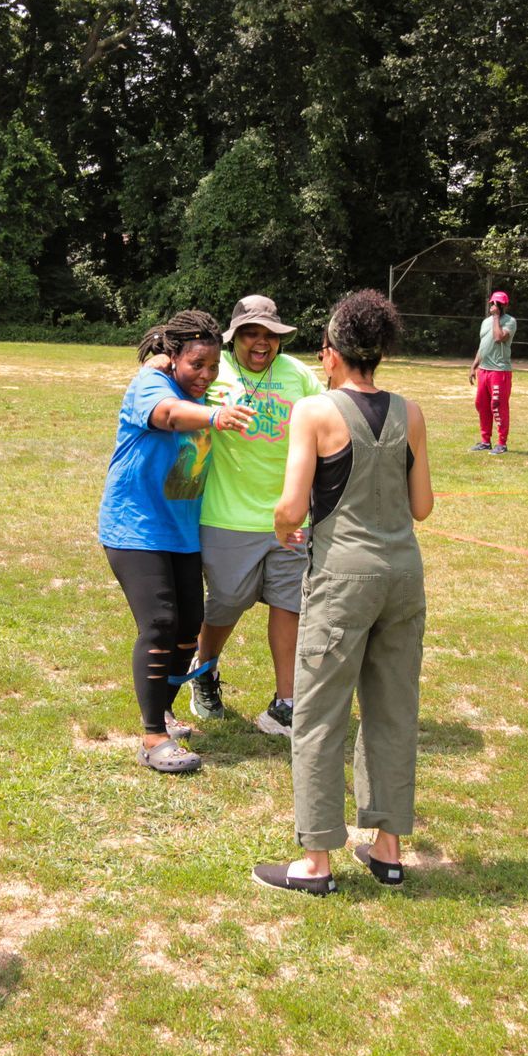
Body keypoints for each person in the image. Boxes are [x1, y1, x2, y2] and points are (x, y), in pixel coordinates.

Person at [253, 289, 433, 895]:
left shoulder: (315, 410)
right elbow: (423, 507)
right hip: (403, 576)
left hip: (342, 580)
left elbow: (290, 506)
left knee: (321, 715)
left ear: (333, 353)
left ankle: (316, 861)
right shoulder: (411, 411)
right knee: (392, 711)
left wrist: (286, 527)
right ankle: (387, 850)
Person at [97, 311, 254, 774]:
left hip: (182, 531)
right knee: (161, 621)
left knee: (190, 622)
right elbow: (167, 416)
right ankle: (151, 737)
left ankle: (163, 712)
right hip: (134, 528)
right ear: (172, 358)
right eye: (196, 365)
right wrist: (214, 414)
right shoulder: (152, 387)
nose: (205, 375)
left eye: (212, 366)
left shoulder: (201, 391)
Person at [186, 295, 323, 735]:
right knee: (227, 599)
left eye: (269, 335)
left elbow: (330, 418)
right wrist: (213, 414)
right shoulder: (215, 369)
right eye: (251, 334)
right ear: (234, 337)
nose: (261, 343)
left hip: (289, 516)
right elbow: (173, 390)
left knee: (289, 602)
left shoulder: (298, 375)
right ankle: (203, 668)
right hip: (227, 515)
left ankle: (286, 702)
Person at [468, 290, 516, 453]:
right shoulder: (485, 322)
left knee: (497, 405)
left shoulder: (509, 321)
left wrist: (496, 317)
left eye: (498, 304)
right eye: (493, 303)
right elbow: (483, 345)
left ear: (504, 306)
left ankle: (501, 444)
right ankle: (485, 441)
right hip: (484, 370)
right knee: (481, 404)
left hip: (499, 371)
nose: (495, 306)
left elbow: (498, 337)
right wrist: (474, 366)